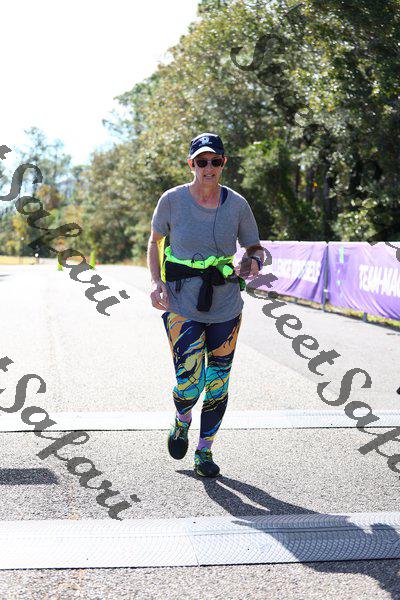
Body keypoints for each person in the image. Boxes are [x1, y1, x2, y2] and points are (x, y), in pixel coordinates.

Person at [148, 132, 264, 478]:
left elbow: (254, 247)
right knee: (190, 384)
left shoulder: (237, 204)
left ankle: (204, 452)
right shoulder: (172, 200)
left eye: (215, 161)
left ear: (223, 163)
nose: (208, 167)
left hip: (226, 305)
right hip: (181, 303)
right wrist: (155, 281)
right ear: (191, 164)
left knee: (218, 382)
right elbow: (154, 242)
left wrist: (254, 261)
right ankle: (182, 418)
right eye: (202, 161)